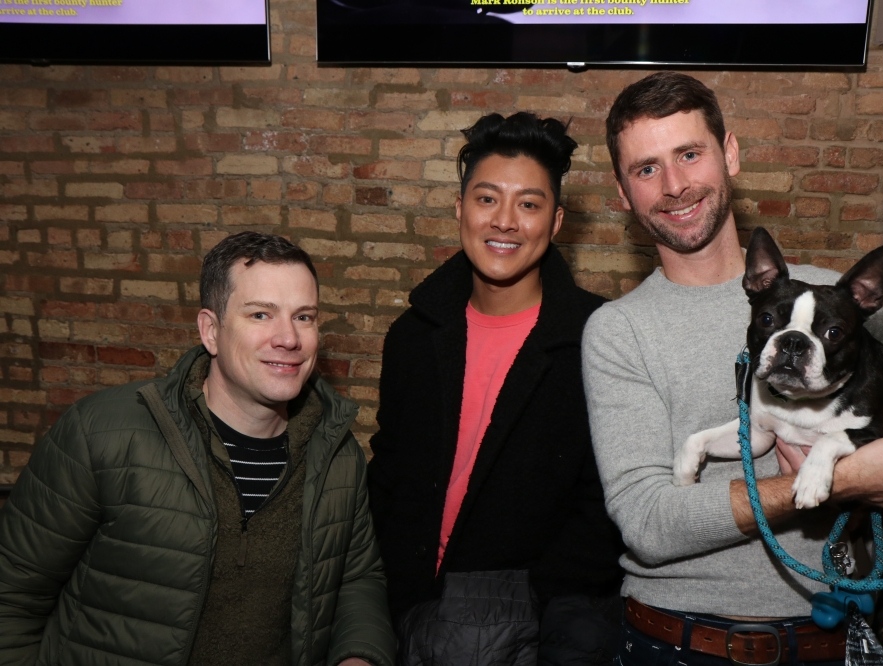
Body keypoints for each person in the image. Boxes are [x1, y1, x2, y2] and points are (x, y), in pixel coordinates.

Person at [581, 71, 883, 666]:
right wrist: (845, 482)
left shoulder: (835, 302)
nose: (674, 185)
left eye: (689, 154)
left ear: (729, 154)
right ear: (622, 192)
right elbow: (647, 523)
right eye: (646, 169)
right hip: (677, 641)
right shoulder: (618, 330)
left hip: (831, 636)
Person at [0, 232, 395, 666]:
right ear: (211, 331)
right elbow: (13, 595)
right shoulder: (101, 433)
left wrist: (359, 656)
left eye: (304, 317)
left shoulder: (337, 454)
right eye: (261, 314)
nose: (288, 338)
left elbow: (356, 579)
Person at [367, 112, 624, 664]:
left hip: (534, 633)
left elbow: (606, 510)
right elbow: (389, 477)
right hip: (408, 618)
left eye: (528, 204)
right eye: (487, 199)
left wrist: (521, 607)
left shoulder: (599, 338)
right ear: (459, 209)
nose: (505, 221)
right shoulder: (413, 335)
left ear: (556, 222)